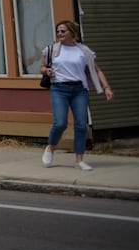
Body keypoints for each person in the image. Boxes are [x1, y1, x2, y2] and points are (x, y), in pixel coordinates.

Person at [40, 19, 114, 171]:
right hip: (59, 89)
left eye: (63, 31)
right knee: (60, 123)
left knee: (81, 125)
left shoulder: (84, 51)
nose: (59, 34)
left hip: (79, 90)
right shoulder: (51, 50)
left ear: (72, 32)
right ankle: (51, 147)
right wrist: (46, 71)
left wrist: (106, 87)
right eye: (58, 31)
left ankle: (79, 160)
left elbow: (97, 70)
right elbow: (42, 67)